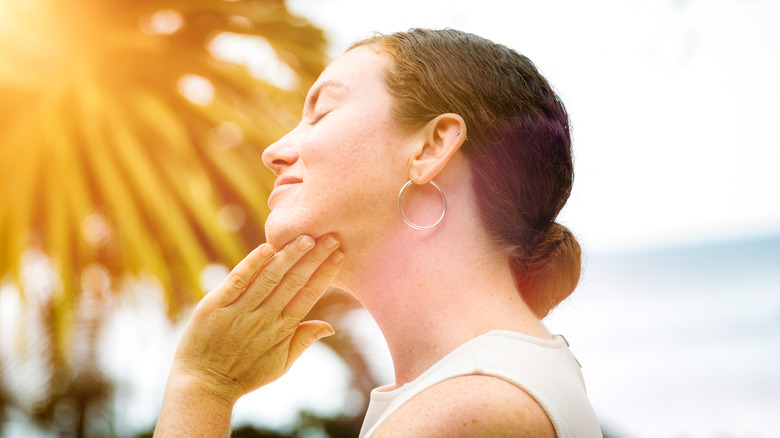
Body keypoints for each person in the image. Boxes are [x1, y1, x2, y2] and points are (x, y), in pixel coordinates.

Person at [154, 28, 602, 437]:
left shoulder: (473, 407)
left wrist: (203, 386)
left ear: (430, 147)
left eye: (322, 112)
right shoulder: (491, 382)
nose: (274, 152)